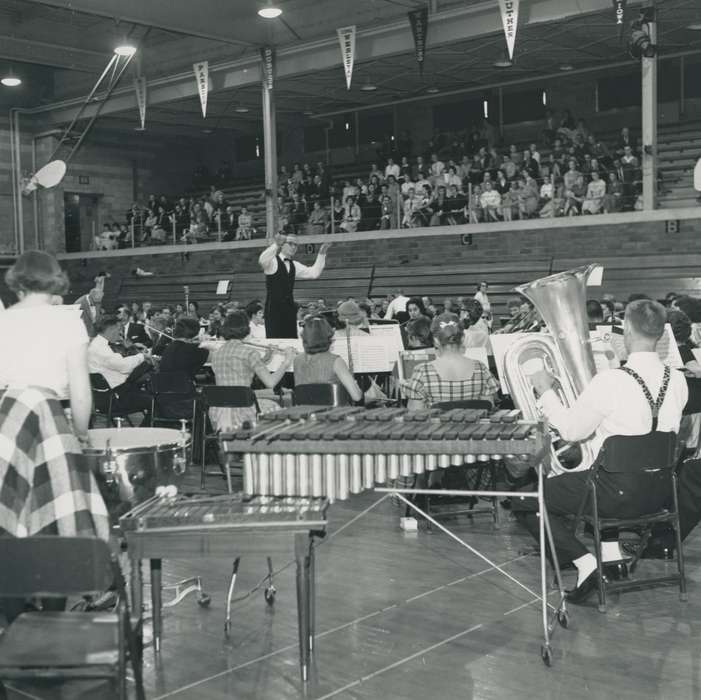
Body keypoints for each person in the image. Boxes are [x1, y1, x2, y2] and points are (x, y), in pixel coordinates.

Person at [513, 299, 688, 603]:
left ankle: (586, 564)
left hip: (614, 493)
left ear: (627, 331)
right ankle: (612, 559)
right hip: (659, 494)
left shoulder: (610, 381)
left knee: (526, 499)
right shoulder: (679, 380)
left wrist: (545, 390)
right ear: (660, 334)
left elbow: (570, 431)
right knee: (606, 471)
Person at [209, 311, 295, 431]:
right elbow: (270, 383)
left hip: (219, 410)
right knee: (276, 406)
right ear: (246, 329)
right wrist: (287, 361)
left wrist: (266, 357)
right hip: (243, 410)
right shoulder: (249, 353)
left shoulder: (216, 353)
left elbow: (242, 367)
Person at [258, 233, 331, 338]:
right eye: (290, 243)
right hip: (273, 311)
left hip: (290, 310)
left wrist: (322, 253)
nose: (293, 247)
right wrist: (275, 245)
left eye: (296, 245)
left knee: (291, 340)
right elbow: (262, 260)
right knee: (275, 341)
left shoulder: (294, 265)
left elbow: (314, 273)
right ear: (282, 244)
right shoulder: (272, 262)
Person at [88, 314, 155, 419]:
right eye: (119, 329)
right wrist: (141, 356)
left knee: (145, 390)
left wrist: (133, 350)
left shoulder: (97, 344)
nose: (120, 333)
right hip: (113, 398)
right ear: (111, 329)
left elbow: (118, 363)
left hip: (112, 393)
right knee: (153, 401)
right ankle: (146, 431)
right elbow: (124, 367)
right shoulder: (100, 348)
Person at [293, 316, 362, 402]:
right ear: (328, 337)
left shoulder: (297, 360)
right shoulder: (336, 361)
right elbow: (356, 397)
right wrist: (355, 384)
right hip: (333, 412)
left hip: (304, 412)